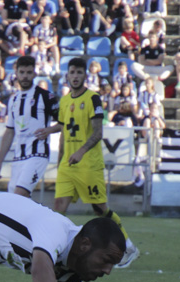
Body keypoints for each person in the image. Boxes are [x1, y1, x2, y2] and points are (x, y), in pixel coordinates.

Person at [37, 57, 138, 267]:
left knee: (100, 209)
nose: (75, 76)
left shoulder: (93, 99)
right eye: (72, 72)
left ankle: (128, 246)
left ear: (85, 75)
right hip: (68, 165)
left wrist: (81, 152)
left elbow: (98, 132)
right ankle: (53, 250)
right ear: (67, 76)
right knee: (58, 207)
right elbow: (65, 128)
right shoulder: (64, 101)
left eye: (79, 73)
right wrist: (52, 137)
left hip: (88, 164)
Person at [0, 55, 54, 196]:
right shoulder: (13, 99)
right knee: (15, 200)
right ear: (16, 73)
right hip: (19, 157)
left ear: (34, 73)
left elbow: (64, 123)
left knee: (20, 194)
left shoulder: (46, 96)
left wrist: (49, 130)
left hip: (38, 154)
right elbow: (9, 132)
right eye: (22, 72)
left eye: (29, 73)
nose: (25, 76)